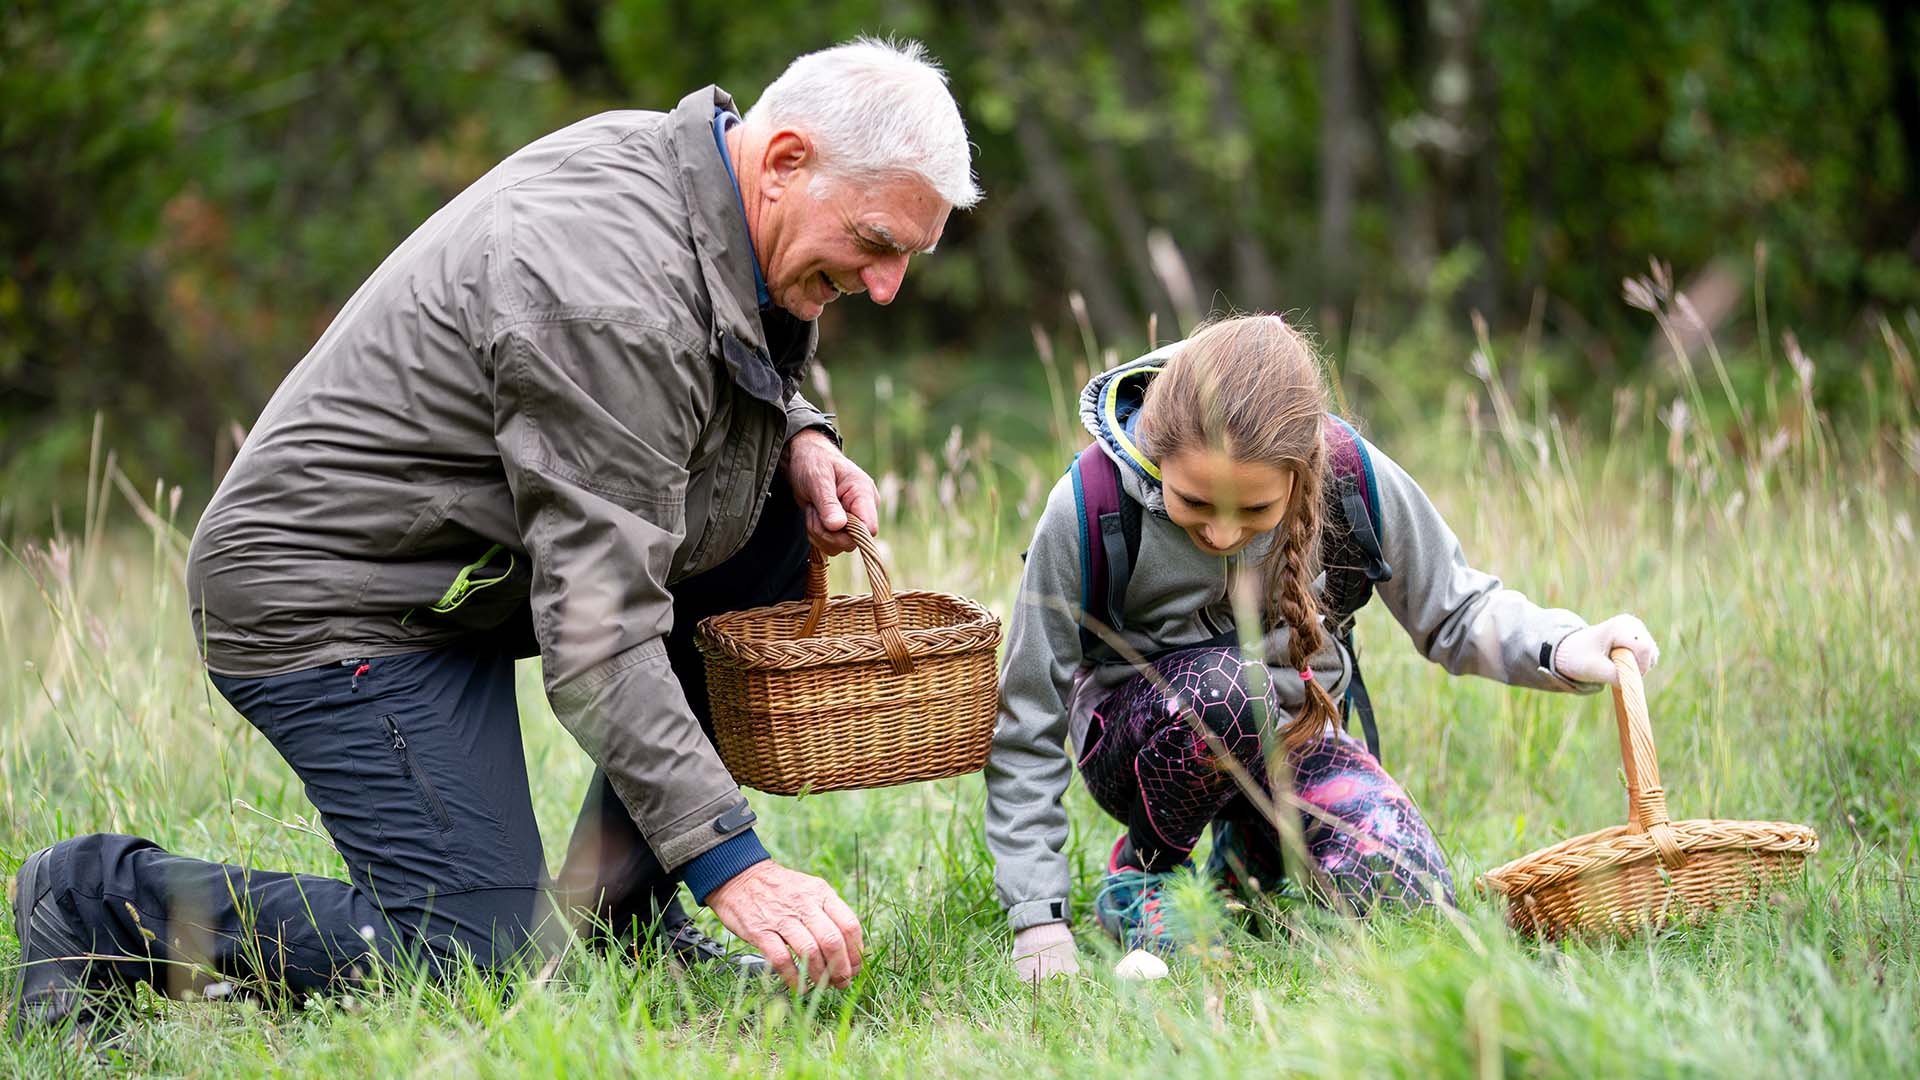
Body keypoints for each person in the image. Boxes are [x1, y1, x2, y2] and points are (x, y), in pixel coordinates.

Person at [10, 38, 979, 1042]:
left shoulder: (698, 180)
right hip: (330, 594)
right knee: (481, 958)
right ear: (783, 161)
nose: (888, 284)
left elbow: (701, 359)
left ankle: (621, 924)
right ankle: (97, 901)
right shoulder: (601, 279)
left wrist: (797, 432)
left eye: (909, 252)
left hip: (463, 565)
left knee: (769, 523)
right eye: (875, 241)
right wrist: (732, 864)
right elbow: (600, 632)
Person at [984, 314, 1659, 978]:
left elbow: (1457, 607)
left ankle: (1245, 871)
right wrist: (1038, 919)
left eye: (1252, 512)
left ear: (1298, 471)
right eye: (1193, 502)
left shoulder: (1348, 476)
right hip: (1150, 747)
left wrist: (1566, 644)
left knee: (1409, 894)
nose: (1222, 536)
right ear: (1156, 452)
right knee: (1229, 691)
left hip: (1292, 735)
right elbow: (1027, 720)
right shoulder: (1088, 504)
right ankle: (1147, 875)